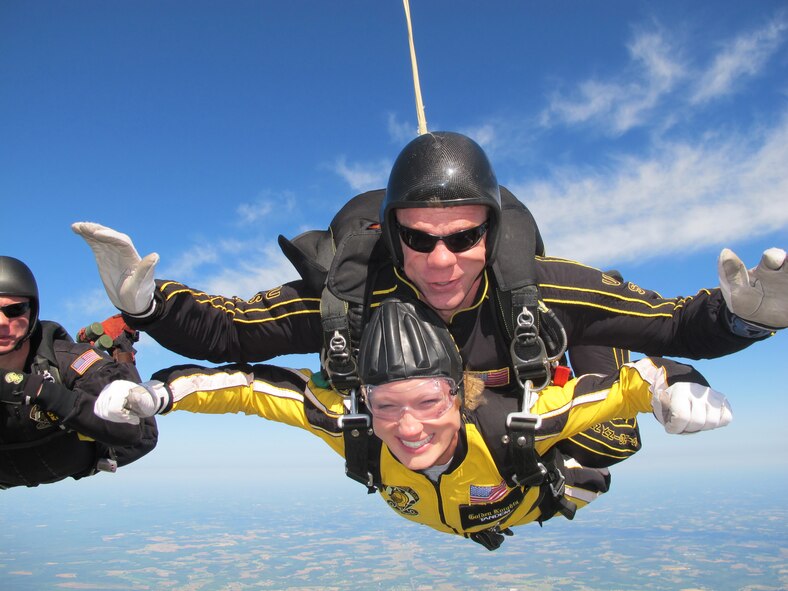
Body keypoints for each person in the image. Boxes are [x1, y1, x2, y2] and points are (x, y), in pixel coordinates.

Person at [71, 131, 785, 470]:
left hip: (537, 396)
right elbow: (236, 333)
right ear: (393, 235)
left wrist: (744, 318)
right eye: (418, 238)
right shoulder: (353, 300)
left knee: (607, 442)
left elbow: (670, 322)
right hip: (426, 425)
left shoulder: (539, 289)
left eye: (463, 235)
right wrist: (149, 307)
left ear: (493, 231)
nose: (440, 259)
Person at [93, 298, 732, 550]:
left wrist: (679, 389)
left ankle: (582, 304)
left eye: (428, 401)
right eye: (385, 404)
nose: (407, 426)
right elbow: (255, 389)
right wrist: (163, 394)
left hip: (541, 474)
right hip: (496, 511)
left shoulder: (525, 425)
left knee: (606, 427)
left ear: (461, 394)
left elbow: (630, 386)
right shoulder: (356, 426)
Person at [0, 256, 158, 489]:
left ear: (32, 312)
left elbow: (135, 431)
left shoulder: (67, 360)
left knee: (141, 429)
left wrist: (38, 389)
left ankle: (121, 348)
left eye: (15, 310)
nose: (2, 322)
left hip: (76, 457)